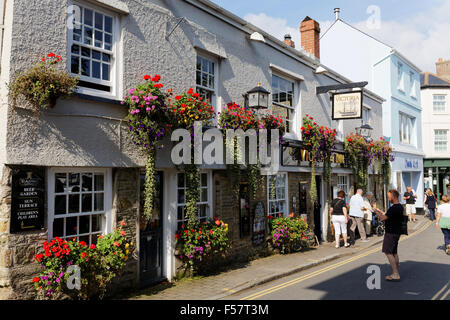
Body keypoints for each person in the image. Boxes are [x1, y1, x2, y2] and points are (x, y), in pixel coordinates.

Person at [374, 189, 403, 281]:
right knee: (394, 252)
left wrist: (375, 211)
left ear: (393, 196)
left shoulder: (394, 207)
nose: (388, 197)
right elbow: (389, 215)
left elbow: (383, 218)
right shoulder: (399, 206)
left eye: (389, 196)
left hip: (391, 232)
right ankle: (396, 271)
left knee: (388, 252)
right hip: (396, 231)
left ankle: (395, 273)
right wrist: (381, 212)